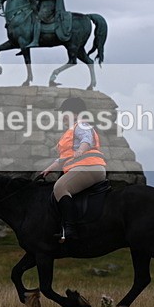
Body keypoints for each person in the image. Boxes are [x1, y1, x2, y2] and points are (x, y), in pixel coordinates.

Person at [40, 97, 107, 242]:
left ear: (76, 114)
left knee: (60, 187)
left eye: (65, 112)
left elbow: (86, 140)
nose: (62, 116)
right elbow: (63, 158)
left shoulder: (81, 126)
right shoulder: (70, 133)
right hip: (87, 167)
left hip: (88, 166)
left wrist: (81, 150)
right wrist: (47, 170)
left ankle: (70, 230)